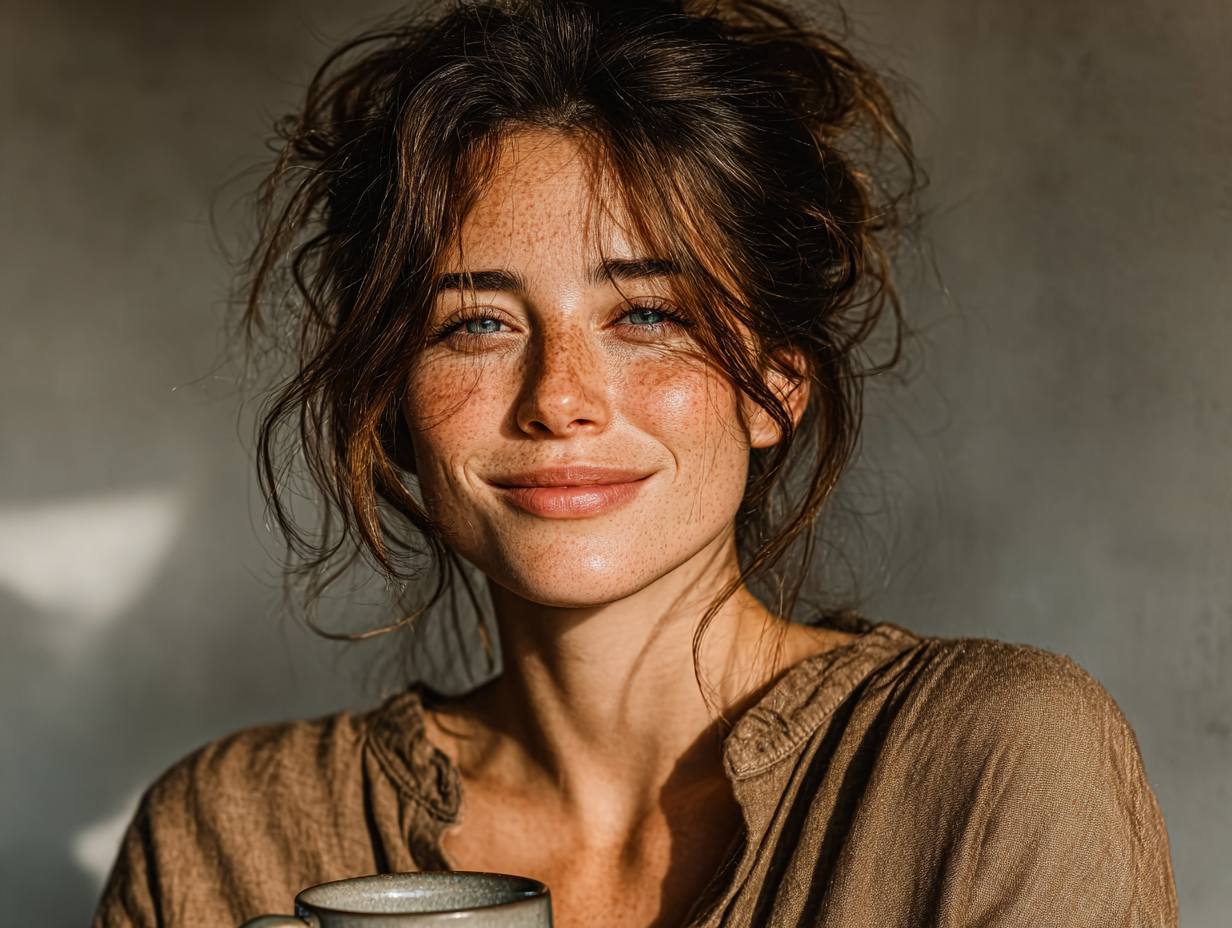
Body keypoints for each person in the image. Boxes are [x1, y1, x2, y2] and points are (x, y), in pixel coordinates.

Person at [94, 1, 1178, 926]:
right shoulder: (225, 837)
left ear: (775, 383)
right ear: (388, 403)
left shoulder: (990, 759)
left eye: (648, 314)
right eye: (475, 323)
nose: (560, 397)